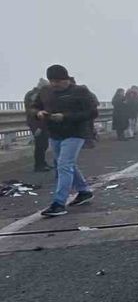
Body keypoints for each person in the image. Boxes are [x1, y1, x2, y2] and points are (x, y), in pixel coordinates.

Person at [29, 65, 98, 217]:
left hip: (75, 133)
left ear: (66, 79)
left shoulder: (80, 91)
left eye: (59, 81)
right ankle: (84, 191)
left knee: (64, 165)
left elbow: (92, 112)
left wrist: (65, 116)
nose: (55, 84)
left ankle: (59, 203)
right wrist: (39, 113)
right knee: (66, 164)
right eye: (52, 81)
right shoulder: (45, 91)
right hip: (55, 133)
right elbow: (33, 107)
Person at [24, 78, 52, 172]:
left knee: (43, 143)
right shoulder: (34, 95)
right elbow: (33, 110)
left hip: (40, 122)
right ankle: (39, 165)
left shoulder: (33, 94)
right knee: (41, 144)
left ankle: (42, 163)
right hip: (36, 123)